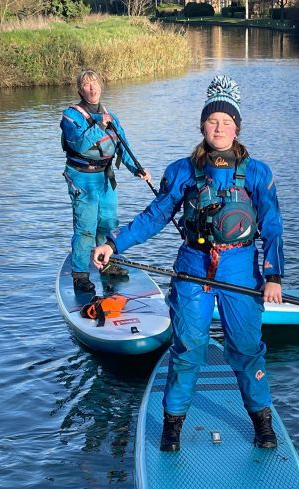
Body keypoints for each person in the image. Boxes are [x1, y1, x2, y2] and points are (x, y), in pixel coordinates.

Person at [93, 75, 284, 453]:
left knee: (246, 348)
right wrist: (113, 243)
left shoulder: (258, 173)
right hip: (192, 266)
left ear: (237, 127)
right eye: (213, 121)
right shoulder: (182, 170)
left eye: (227, 122)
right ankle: (172, 426)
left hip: (241, 268)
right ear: (202, 125)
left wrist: (274, 276)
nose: (219, 128)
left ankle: (261, 420)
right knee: (188, 347)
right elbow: (155, 216)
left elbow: (273, 226)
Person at [61, 69, 152, 294]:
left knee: (109, 222)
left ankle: (107, 262)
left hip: (105, 178)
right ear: (80, 90)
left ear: (101, 86)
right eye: (86, 85)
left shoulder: (111, 115)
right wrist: (100, 125)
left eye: (95, 84)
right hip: (82, 178)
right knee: (86, 228)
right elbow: (80, 144)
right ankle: (80, 274)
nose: (92, 89)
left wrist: (137, 169)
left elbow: (123, 145)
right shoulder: (70, 116)